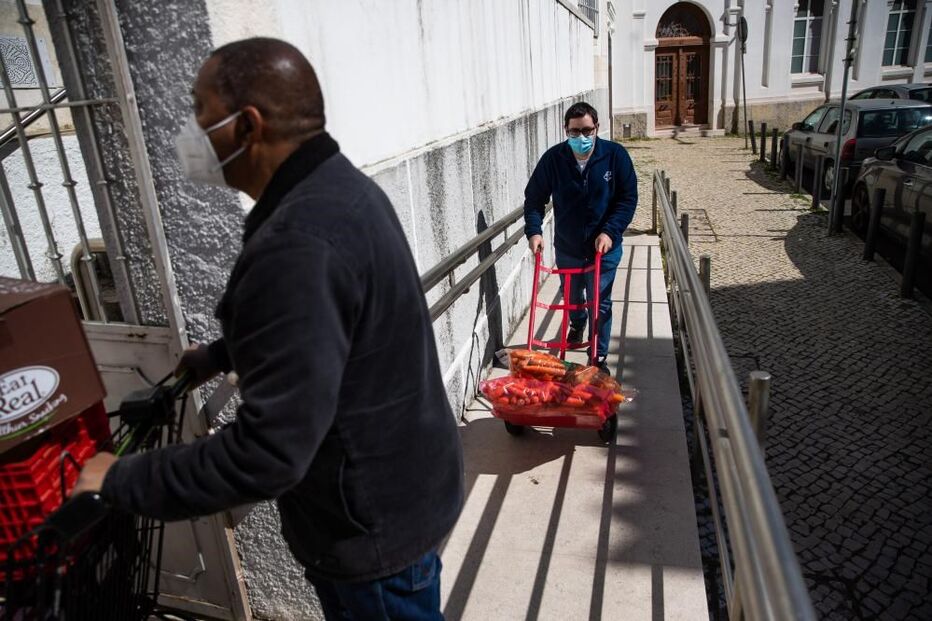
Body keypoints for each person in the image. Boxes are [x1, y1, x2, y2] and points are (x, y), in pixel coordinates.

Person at [74, 37, 464, 620]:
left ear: (246, 126)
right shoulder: (340, 190)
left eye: (201, 113)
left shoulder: (298, 241)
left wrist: (120, 479)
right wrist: (227, 352)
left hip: (371, 530)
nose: (192, 132)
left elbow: (267, 455)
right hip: (405, 493)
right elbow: (333, 321)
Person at [523, 102, 638, 372]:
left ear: (597, 127)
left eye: (587, 130)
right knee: (573, 297)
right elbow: (534, 199)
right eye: (575, 132)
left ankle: (597, 358)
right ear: (566, 130)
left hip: (604, 249)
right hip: (568, 247)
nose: (582, 137)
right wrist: (535, 231)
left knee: (601, 302)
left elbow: (628, 198)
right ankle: (577, 320)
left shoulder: (615, 156)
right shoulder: (554, 159)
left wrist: (610, 231)